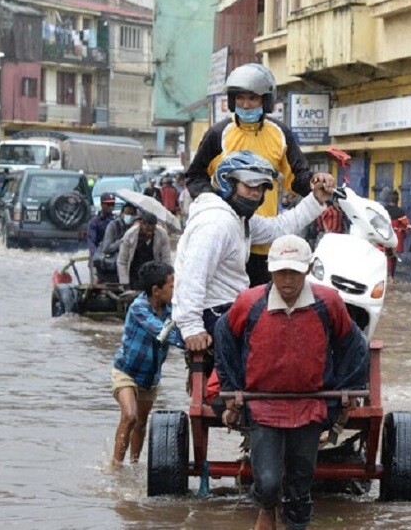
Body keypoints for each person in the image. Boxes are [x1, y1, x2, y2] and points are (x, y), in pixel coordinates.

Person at [213, 234, 368, 530]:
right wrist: (232, 388)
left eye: (295, 272)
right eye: (282, 272)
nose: (287, 280)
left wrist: (346, 390)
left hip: (310, 403)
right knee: (269, 482)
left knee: (300, 481)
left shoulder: (328, 302)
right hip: (263, 405)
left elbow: (354, 343)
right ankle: (266, 508)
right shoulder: (250, 302)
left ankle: (296, 524)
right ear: (271, 270)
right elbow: (224, 336)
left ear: (307, 270)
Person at [185, 63, 333, 287]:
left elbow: (298, 178)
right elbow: (195, 176)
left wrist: (315, 182)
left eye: (253, 98)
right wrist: (218, 205)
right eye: (241, 98)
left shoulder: (280, 134)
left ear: (266, 100)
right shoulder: (217, 134)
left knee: (259, 307)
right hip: (227, 235)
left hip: (264, 239)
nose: (245, 104)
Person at [175, 150, 333, 359]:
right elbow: (192, 276)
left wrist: (315, 200)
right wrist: (191, 327)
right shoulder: (216, 223)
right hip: (214, 313)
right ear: (227, 184)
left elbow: (279, 227)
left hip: (231, 308)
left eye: (260, 187)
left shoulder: (239, 219)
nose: (255, 193)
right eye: (249, 186)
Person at [111, 260, 184, 465]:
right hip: (126, 371)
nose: (175, 290)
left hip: (150, 376)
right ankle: (116, 467)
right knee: (130, 416)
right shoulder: (139, 307)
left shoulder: (171, 309)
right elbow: (162, 333)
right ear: (156, 290)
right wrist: (189, 342)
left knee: (141, 423)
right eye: (171, 286)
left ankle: (133, 464)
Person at [117, 212, 171, 289]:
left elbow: (166, 258)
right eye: (147, 229)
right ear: (141, 224)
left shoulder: (162, 234)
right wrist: (125, 282)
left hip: (153, 273)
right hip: (135, 273)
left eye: (152, 230)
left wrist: (166, 276)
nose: (149, 233)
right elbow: (122, 260)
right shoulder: (130, 235)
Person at [95, 203, 138, 283]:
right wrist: (121, 242)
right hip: (112, 267)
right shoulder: (113, 226)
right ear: (122, 213)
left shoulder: (135, 228)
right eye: (127, 213)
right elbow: (107, 248)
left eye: (132, 214)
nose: (129, 216)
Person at [382, 189, 411, 283]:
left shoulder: (384, 210)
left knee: (384, 256)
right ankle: (391, 276)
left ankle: (384, 276)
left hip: (384, 236)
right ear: (397, 200)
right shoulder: (400, 211)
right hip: (395, 238)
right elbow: (407, 225)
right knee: (392, 258)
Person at [86, 193, 116, 259]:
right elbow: (91, 242)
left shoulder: (116, 220)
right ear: (101, 204)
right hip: (98, 255)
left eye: (112, 204)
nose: (110, 206)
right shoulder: (94, 222)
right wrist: (97, 256)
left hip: (113, 255)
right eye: (108, 204)